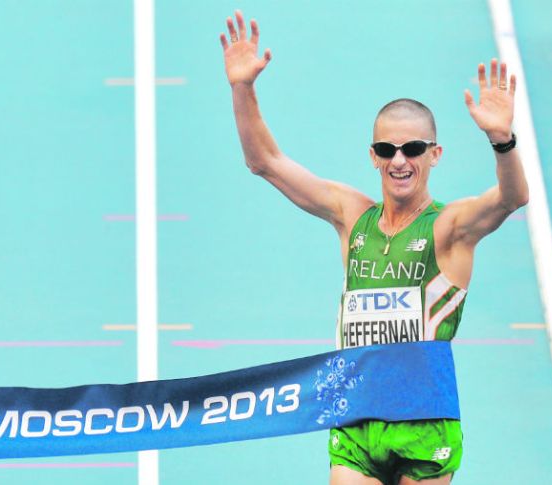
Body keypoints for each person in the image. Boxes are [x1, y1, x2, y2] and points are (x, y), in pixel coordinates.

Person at [219, 10, 528, 485]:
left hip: (424, 420)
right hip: (358, 414)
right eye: (387, 150)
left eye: (413, 149)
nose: (399, 160)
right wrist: (243, 88)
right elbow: (265, 162)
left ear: (434, 155)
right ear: (373, 156)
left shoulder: (449, 228)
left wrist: (502, 141)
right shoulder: (352, 217)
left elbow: (512, 198)